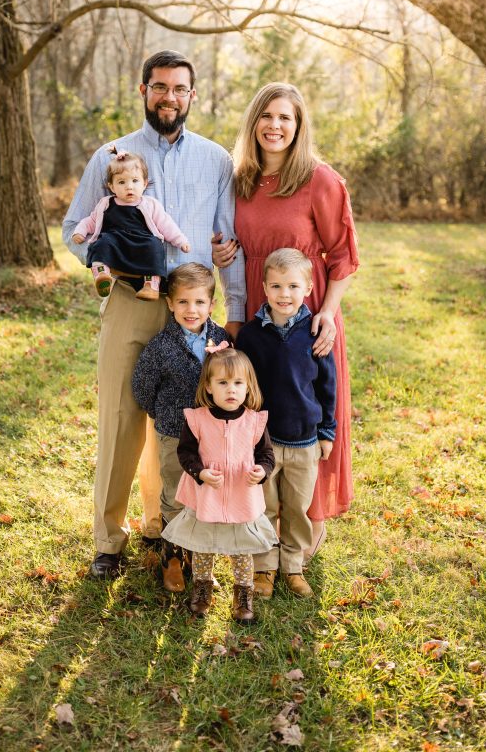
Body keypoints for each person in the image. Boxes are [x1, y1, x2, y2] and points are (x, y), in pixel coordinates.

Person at [62, 50, 246, 579]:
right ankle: (108, 540)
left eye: (179, 88)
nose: (170, 97)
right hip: (131, 299)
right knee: (121, 419)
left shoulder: (215, 160)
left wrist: (232, 309)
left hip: (193, 309)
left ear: (192, 95)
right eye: (160, 87)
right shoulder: (112, 157)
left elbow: (227, 239)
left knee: (182, 422)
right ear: (143, 90)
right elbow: (75, 228)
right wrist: (108, 259)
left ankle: (171, 532)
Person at [214, 81, 358, 559]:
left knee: (305, 404)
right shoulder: (240, 180)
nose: (275, 126)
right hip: (256, 310)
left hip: (307, 314)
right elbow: (229, 241)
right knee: (261, 406)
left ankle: (309, 517)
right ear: (254, 121)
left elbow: (343, 257)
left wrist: (327, 314)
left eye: (285, 118)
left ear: (298, 127)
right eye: (267, 115)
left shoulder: (320, 180)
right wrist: (222, 254)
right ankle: (263, 516)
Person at [236, 248, 336, 598]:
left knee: (296, 508)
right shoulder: (250, 336)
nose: (284, 294)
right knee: (262, 506)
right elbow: (243, 388)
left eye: (293, 286)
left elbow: (327, 386)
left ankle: (293, 566)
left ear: (308, 288)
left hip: (305, 442)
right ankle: (264, 567)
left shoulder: (315, 333)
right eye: (276, 286)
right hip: (263, 442)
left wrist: (326, 432)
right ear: (264, 287)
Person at [132, 262, 231, 592]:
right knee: (175, 495)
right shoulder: (161, 346)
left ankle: (200, 562)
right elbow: (143, 386)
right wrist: (162, 414)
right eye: (184, 302)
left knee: (205, 498)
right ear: (170, 303)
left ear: (211, 305)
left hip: (212, 436)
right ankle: (172, 558)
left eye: (199, 302)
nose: (192, 310)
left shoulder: (222, 339)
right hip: (174, 433)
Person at [162, 347, 277, 622]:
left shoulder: (254, 421)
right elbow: (186, 453)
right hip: (207, 495)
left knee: (241, 549)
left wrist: (262, 471)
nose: (231, 390)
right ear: (209, 387)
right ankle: (202, 589)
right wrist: (200, 472)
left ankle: (243, 594)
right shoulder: (197, 419)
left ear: (248, 387)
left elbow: (266, 455)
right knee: (203, 545)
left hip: (241, 495)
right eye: (222, 383)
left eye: (238, 383)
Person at [72, 150, 190, 301]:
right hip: (115, 240)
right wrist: (80, 232)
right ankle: (101, 274)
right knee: (101, 243)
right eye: (121, 182)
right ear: (112, 187)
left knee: (155, 246)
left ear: (144, 183)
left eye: (135, 181)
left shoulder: (150, 204)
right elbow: (91, 221)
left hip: (142, 241)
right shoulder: (106, 203)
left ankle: (151, 285)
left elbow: (166, 224)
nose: (129, 187)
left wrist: (180, 240)